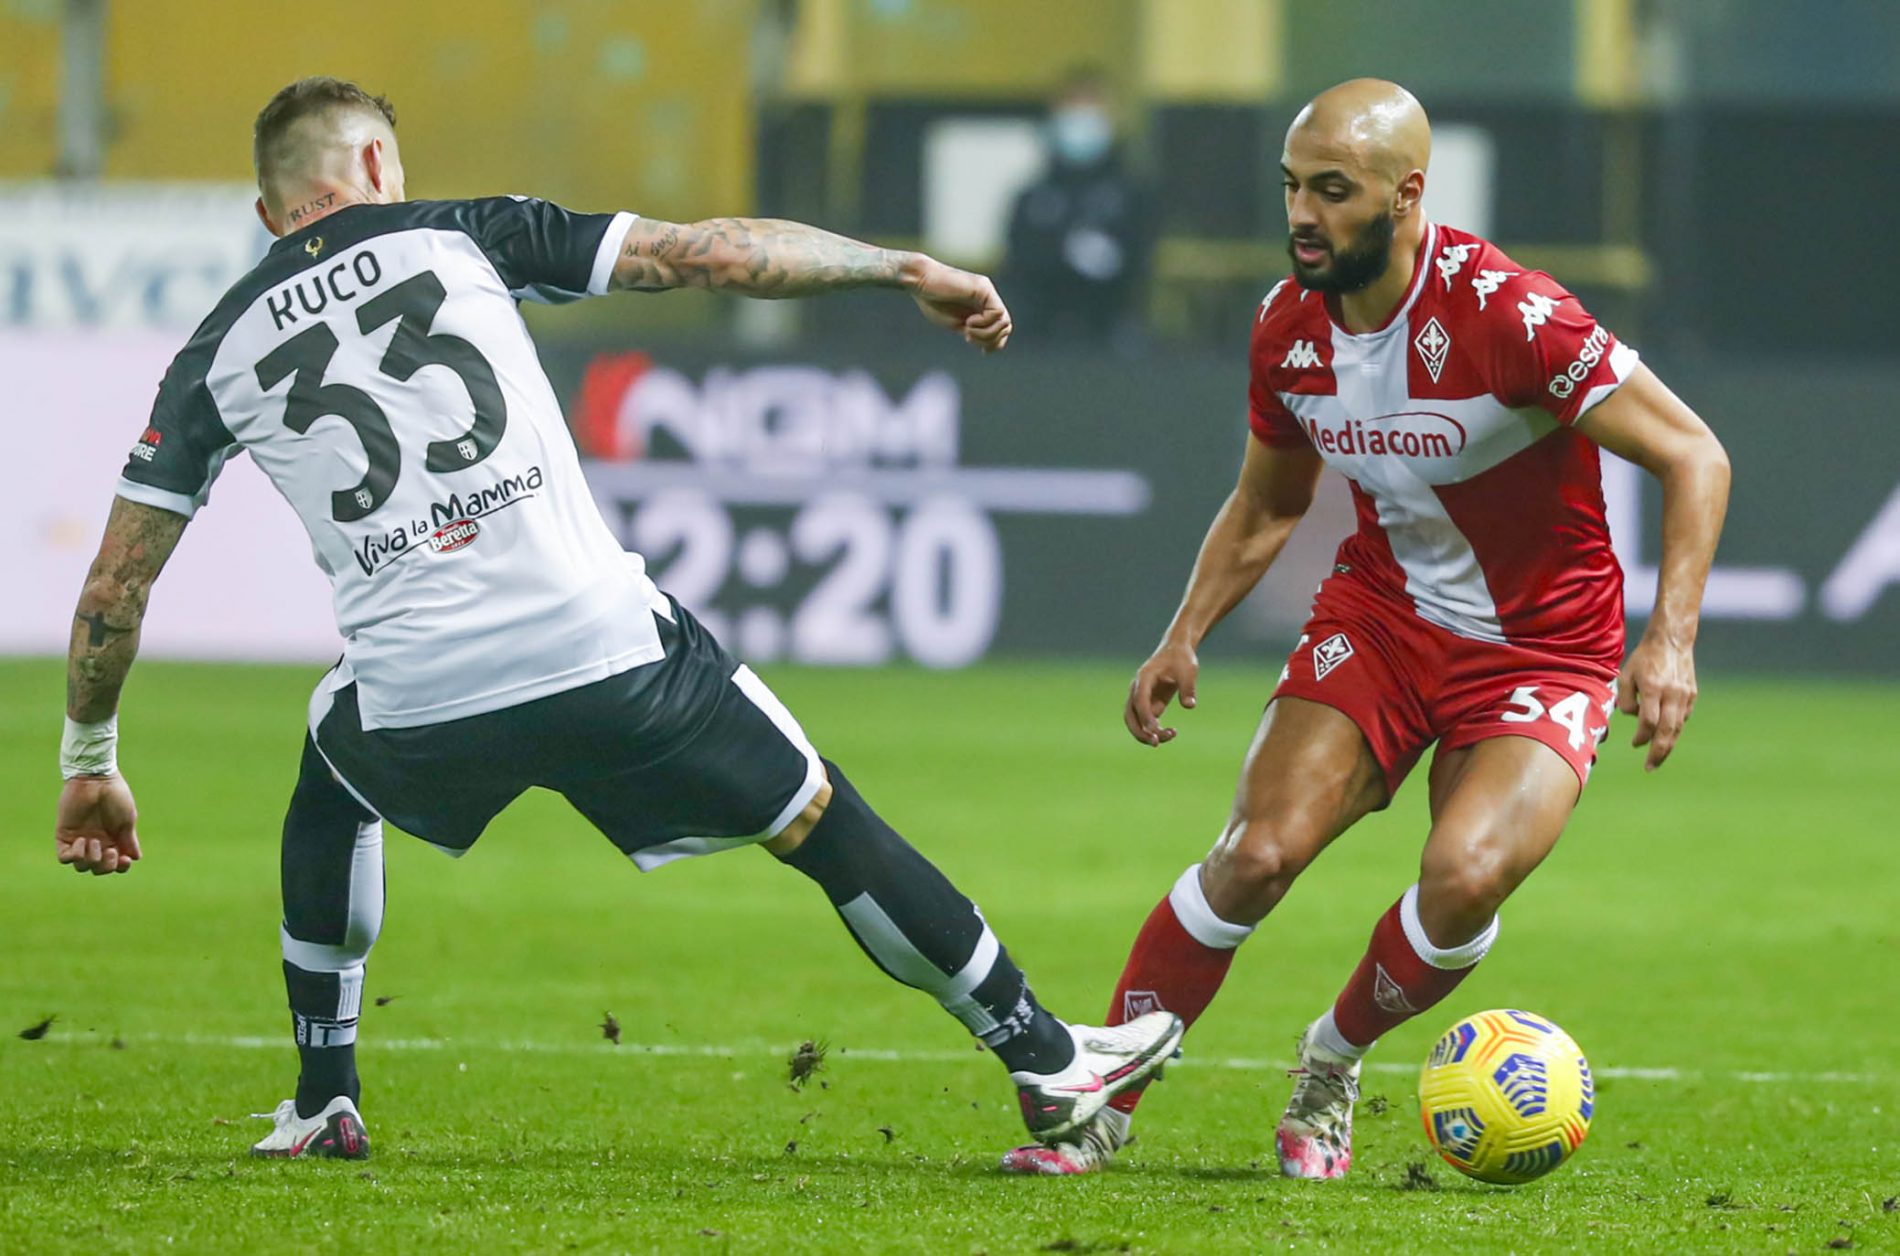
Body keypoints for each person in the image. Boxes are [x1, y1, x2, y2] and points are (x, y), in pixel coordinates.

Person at [52, 76, 1182, 1161]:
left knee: (334, 767)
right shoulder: (462, 233)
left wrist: (90, 760)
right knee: (816, 816)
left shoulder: (214, 350)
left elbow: (113, 588)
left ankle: (323, 1099)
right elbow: (710, 254)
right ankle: (1040, 1053)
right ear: (379, 163)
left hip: (417, 693)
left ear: (269, 212)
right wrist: (899, 268)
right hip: (602, 647)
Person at [1001, 78, 1730, 1178]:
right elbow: (1268, 505)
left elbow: (1694, 453)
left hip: (1541, 647)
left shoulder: (1512, 316)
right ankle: (1101, 1100)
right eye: (1293, 186)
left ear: (1406, 195)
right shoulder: (1287, 328)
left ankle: (1331, 1059)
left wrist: (1669, 638)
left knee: (1466, 873)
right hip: (1383, 620)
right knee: (1254, 853)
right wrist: (1184, 630)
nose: (1303, 214)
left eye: (1333, 191)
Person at [1001, 67, 1153, 346]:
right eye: (1072, 108)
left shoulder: (1133, 195)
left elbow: (1140, 264)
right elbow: (1015, 266)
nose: (1080, 119)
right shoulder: (1032, 197)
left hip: (1110, 338)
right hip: (1039, 339)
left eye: (1091, 108)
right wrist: (1060, 251)